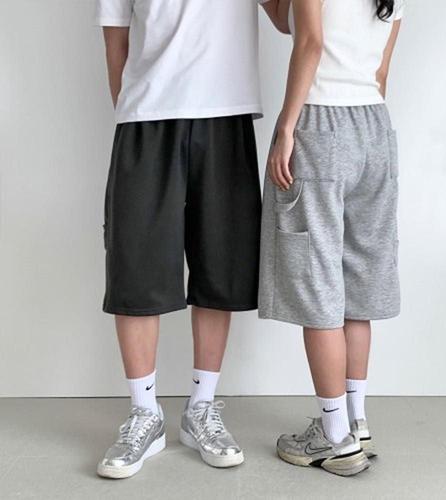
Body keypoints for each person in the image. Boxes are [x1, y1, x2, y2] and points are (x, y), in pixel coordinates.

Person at [94, 0, 274, 478]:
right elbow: (115, 34)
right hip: (146, 114)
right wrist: (135, 106)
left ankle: (201, 407)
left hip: (227, 108)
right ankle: (144, 413)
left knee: (221, 265)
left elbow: (284, 19)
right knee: (136, 265)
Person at [259, 0, 405, 476]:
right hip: (375, 125)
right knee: (358, 282)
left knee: (316, 279)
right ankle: (356, 421)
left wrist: (287, 127)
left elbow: (311, 41)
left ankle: (335, 435)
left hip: (321, 121)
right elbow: (378, 70)